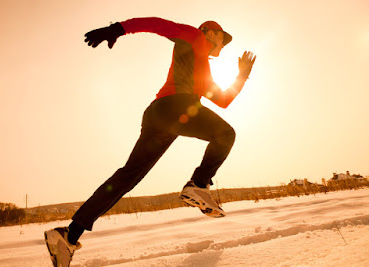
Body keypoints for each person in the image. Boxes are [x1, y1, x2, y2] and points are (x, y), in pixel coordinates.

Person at [44, 17, 256, 266]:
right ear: (209, 33)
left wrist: (241, 76)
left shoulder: (202, 69)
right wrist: (118, 29)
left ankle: (68, 235)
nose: (224, 44)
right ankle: (198, 184)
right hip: (176, 106)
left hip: (160, 115)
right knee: (226, 134)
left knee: (127, 177)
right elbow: (156, 24)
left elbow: (222, 100)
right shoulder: (194, 36)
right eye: (222, 37)